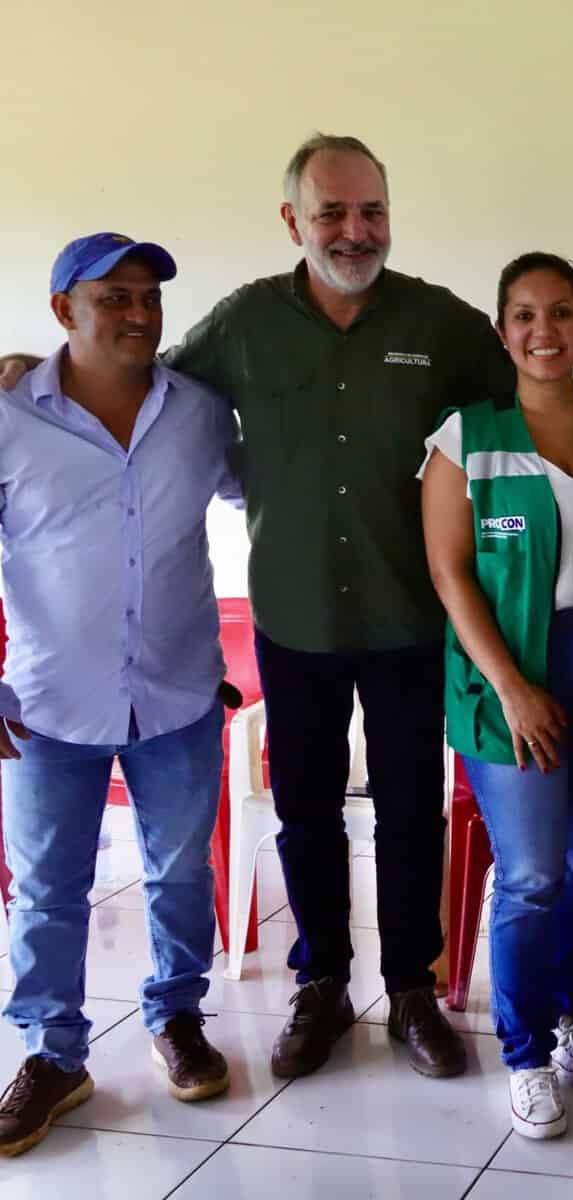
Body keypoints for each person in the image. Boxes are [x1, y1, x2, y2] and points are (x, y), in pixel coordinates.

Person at [161, 133, 573, 1081]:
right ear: (292, 221)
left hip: (406, 618)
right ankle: (322, 984)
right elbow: (158, 394)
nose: (356, 231)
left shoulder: (439, 322)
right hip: (294, 615)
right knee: (305, 812)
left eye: (372, 211)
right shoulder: (243, 324)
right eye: (333, 213)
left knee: (409, 813)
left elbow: (540, 382)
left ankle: (414, 990)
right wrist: (39, 371)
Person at [0, 234, 240, 1156]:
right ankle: (53, 1054)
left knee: (181, 870)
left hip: (177, 693)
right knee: (49, 890)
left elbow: (260, 490)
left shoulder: (198, 413)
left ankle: (177, 1016)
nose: (139, 314)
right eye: (115, 298)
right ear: (64, 310)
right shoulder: (13, 415)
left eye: (149, 297)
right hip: (48, 704)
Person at [420, 253, 573, 1140]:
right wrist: (512, 686)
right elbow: (450, 570)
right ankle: (521, 1054)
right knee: (534, 873)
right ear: (502, 329)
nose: (543, 330)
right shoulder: (466, 436)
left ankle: (562, 1019)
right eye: (523, 314)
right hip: (507, 670)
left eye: (561, 313)